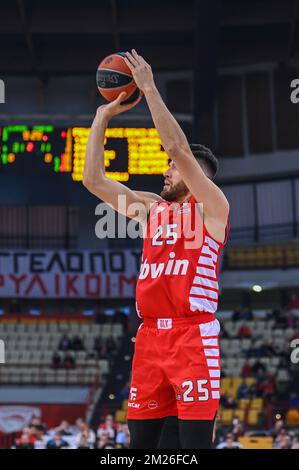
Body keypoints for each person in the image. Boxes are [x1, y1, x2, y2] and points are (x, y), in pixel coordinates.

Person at [83, 49, 230, 449]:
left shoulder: (212, 210)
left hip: (192, 337)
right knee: (141, 447)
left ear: (195, 175)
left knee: (193, 446)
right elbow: (94, 181)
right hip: (149, 339)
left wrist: (148, 88)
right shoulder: (152, 210)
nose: (166, 169)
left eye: (171, 166)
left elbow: (179, 150)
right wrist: (102, 119)